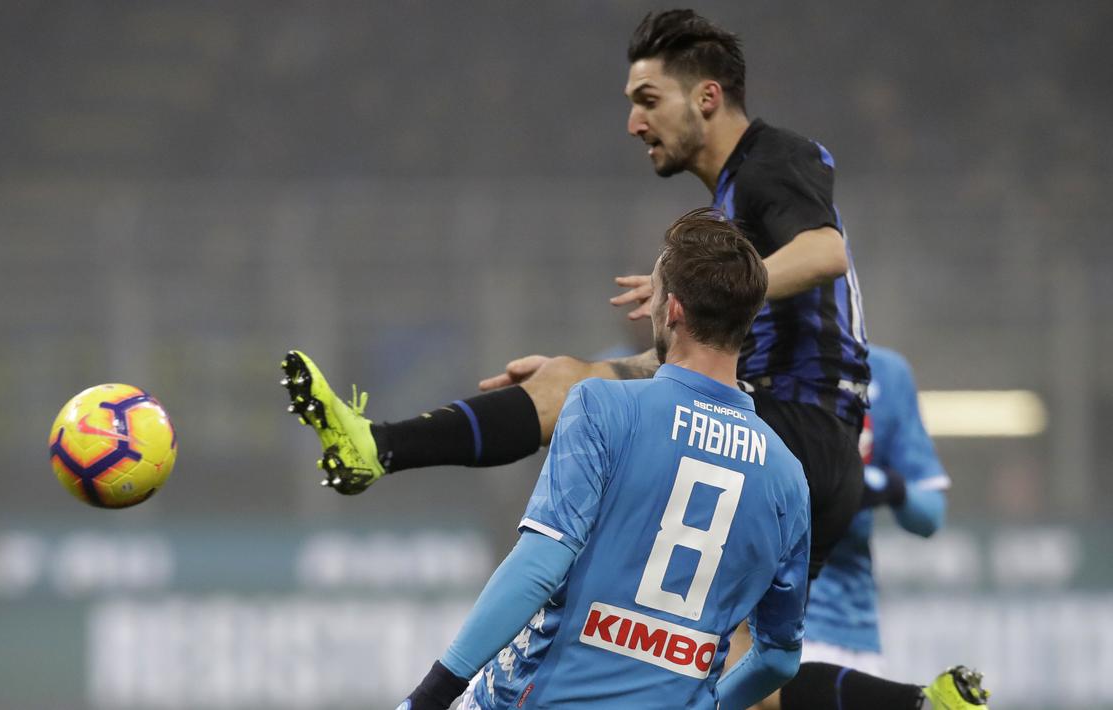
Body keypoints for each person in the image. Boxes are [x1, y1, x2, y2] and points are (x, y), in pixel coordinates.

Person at [280, 9, 988, 708]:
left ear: (706, 97)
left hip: (791, 424)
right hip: (794, 435)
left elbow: (825, 252)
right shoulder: (733, 200)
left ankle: (382, 454)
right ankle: (920, 706)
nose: (633, 123)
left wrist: (719, 284)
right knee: (730, 660)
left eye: (647, 100)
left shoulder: (773, 158)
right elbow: (724, 343)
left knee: (600, 559)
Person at [398, 210, 810, 710]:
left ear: (673, 309)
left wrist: (429, 696)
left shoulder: (603, 406)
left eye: (655, 293)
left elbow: (540, 565)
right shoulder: (787, 474)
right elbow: (779, 657)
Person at [738, 344, 989, 709]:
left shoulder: (886, 372)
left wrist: (888, 486)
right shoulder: (743, 349)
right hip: (765, 610)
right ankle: (920, 704)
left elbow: (930, 513)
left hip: (840, 624)